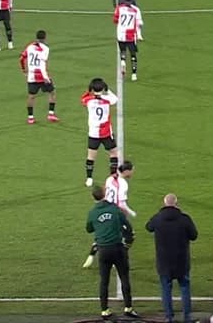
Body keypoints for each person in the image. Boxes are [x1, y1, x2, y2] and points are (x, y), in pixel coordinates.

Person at [85, 185, 140, 320]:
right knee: (124, 277)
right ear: (104, 194)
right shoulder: (114, 209)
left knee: (104, 281)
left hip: (103, 250)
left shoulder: (92, 213)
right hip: (117, 248)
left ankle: (104, 310)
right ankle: (128, 308)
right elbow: (126, 225)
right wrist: (128, 240)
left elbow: (89, 229)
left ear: (93, 197)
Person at [146, 193, 199, 323]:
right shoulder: (184, 219)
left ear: (164, 203)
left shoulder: (158, 219)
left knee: (166, 289)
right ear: (176, 204)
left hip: (164, 262)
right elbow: (194, 235)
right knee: (185, 287)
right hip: (182, 261)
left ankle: (169, 317)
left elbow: (148, 227)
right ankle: (187, 317)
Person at [81, 77, 120, 187]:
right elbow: (115, 99)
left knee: (91, 156)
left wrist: (90, 91)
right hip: (106, 132)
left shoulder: (88, 100)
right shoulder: (108, 99)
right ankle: (113, 175)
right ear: (103, 88)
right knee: (113, 152)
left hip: (93, 133)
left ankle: (89, 178)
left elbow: (83, 99)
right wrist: (107, 90)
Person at [18, 30, 57, 124]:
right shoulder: (45, 49)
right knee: (52, 92)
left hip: (31, 76)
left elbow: (21, 58)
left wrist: (24, 70)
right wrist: (47, 76)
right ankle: (51, 114)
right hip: (42, 76)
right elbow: (44, 63)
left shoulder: (30, 47)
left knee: (31, 96)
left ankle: (30, 118)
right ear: (45, 38)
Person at [114, 0, 143, 82]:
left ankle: (123, 60)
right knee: (133, 54)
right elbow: (139, 23)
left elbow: (115, 20)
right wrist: (139, 35)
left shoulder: (119, 8)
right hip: (130, 34)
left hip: (121, 34)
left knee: (123, 50)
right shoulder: (136, 10)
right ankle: (134, 74)